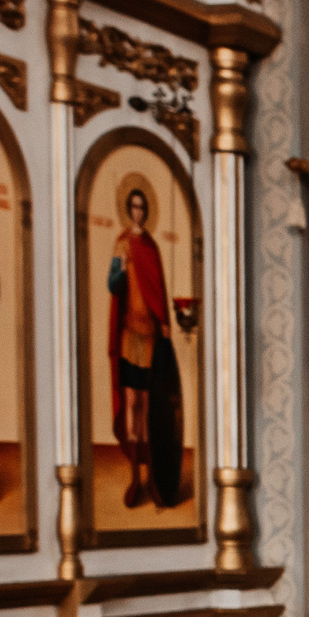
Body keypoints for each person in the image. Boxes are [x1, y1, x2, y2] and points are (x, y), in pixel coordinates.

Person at [106, 186, 186, 510]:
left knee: (151, 406)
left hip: (151, 336)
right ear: (128, 209)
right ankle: (135, 478)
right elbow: (113, 286)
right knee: (132, 403)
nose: (138, 212)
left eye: (142, 207)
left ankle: (154, 478)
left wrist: (165, 322)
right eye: (133, 207)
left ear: (146, 210)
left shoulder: (151, 246)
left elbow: (158, 289)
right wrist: (121, 268)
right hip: (129, 336)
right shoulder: (121, 243)